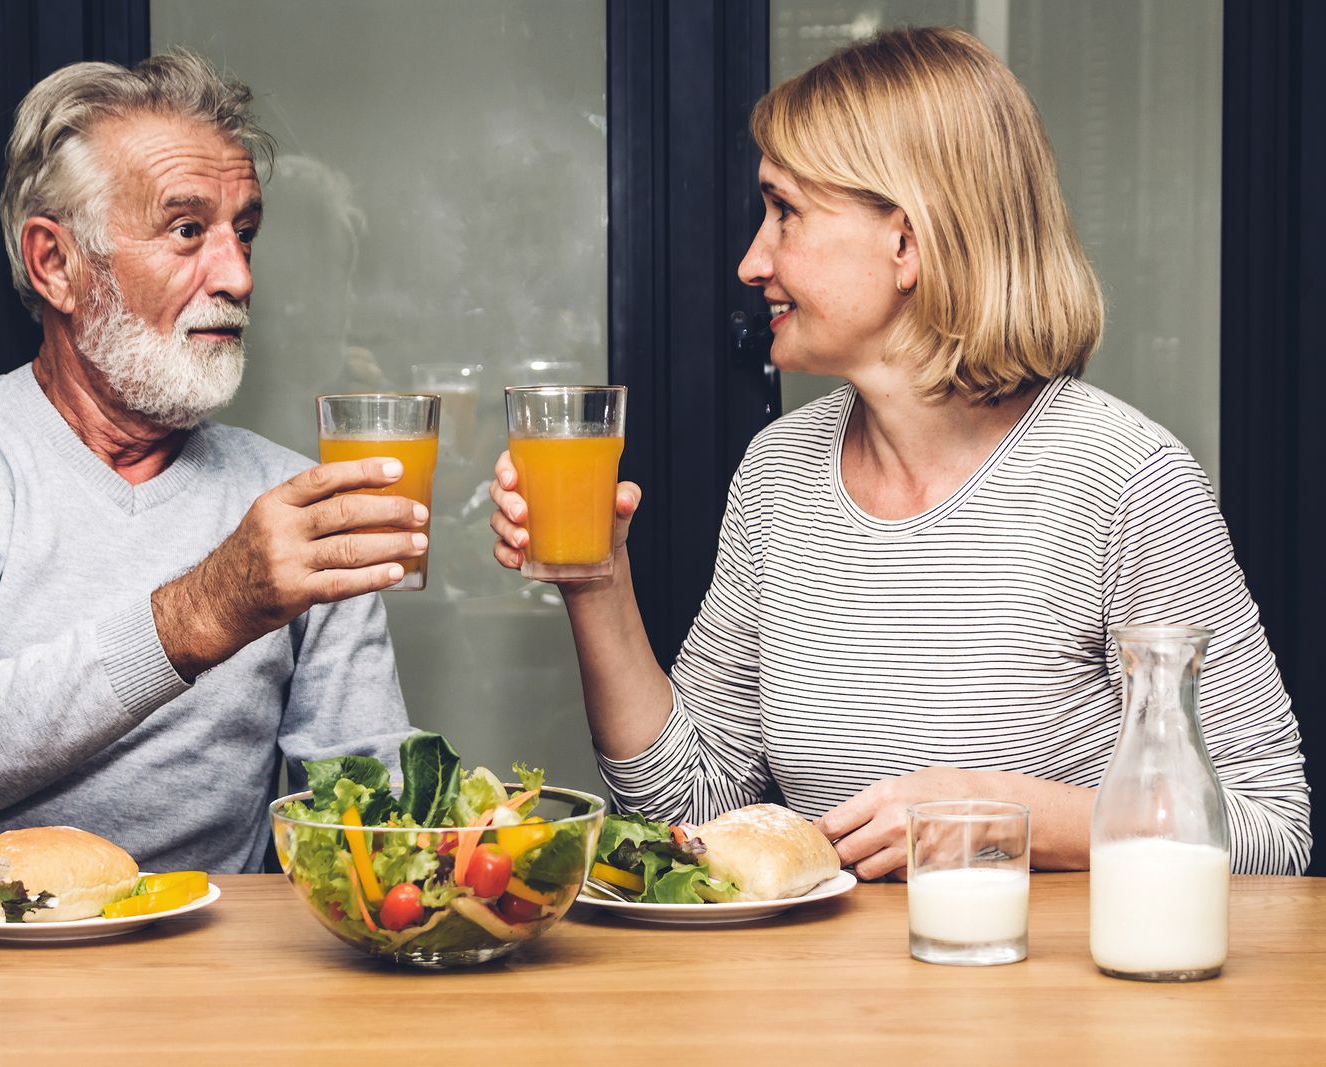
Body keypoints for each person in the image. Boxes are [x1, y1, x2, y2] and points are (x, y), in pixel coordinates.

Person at [489, 27, 1310, 878]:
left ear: (907, 243)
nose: (750, 261)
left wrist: (1006, 817)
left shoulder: (1125, 481)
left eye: (786, 211)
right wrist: (598, 581)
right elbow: (690, 815)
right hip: (827, 1006)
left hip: (1047, 1005)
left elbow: (1270, 834)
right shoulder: (779, 471)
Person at [0, 51, 424, 884]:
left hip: (187, 981)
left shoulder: (295, 507)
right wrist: (204, 610)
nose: (237, 275)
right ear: (55, 263)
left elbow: (375, 829)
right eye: (187, 229)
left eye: (244, 232)